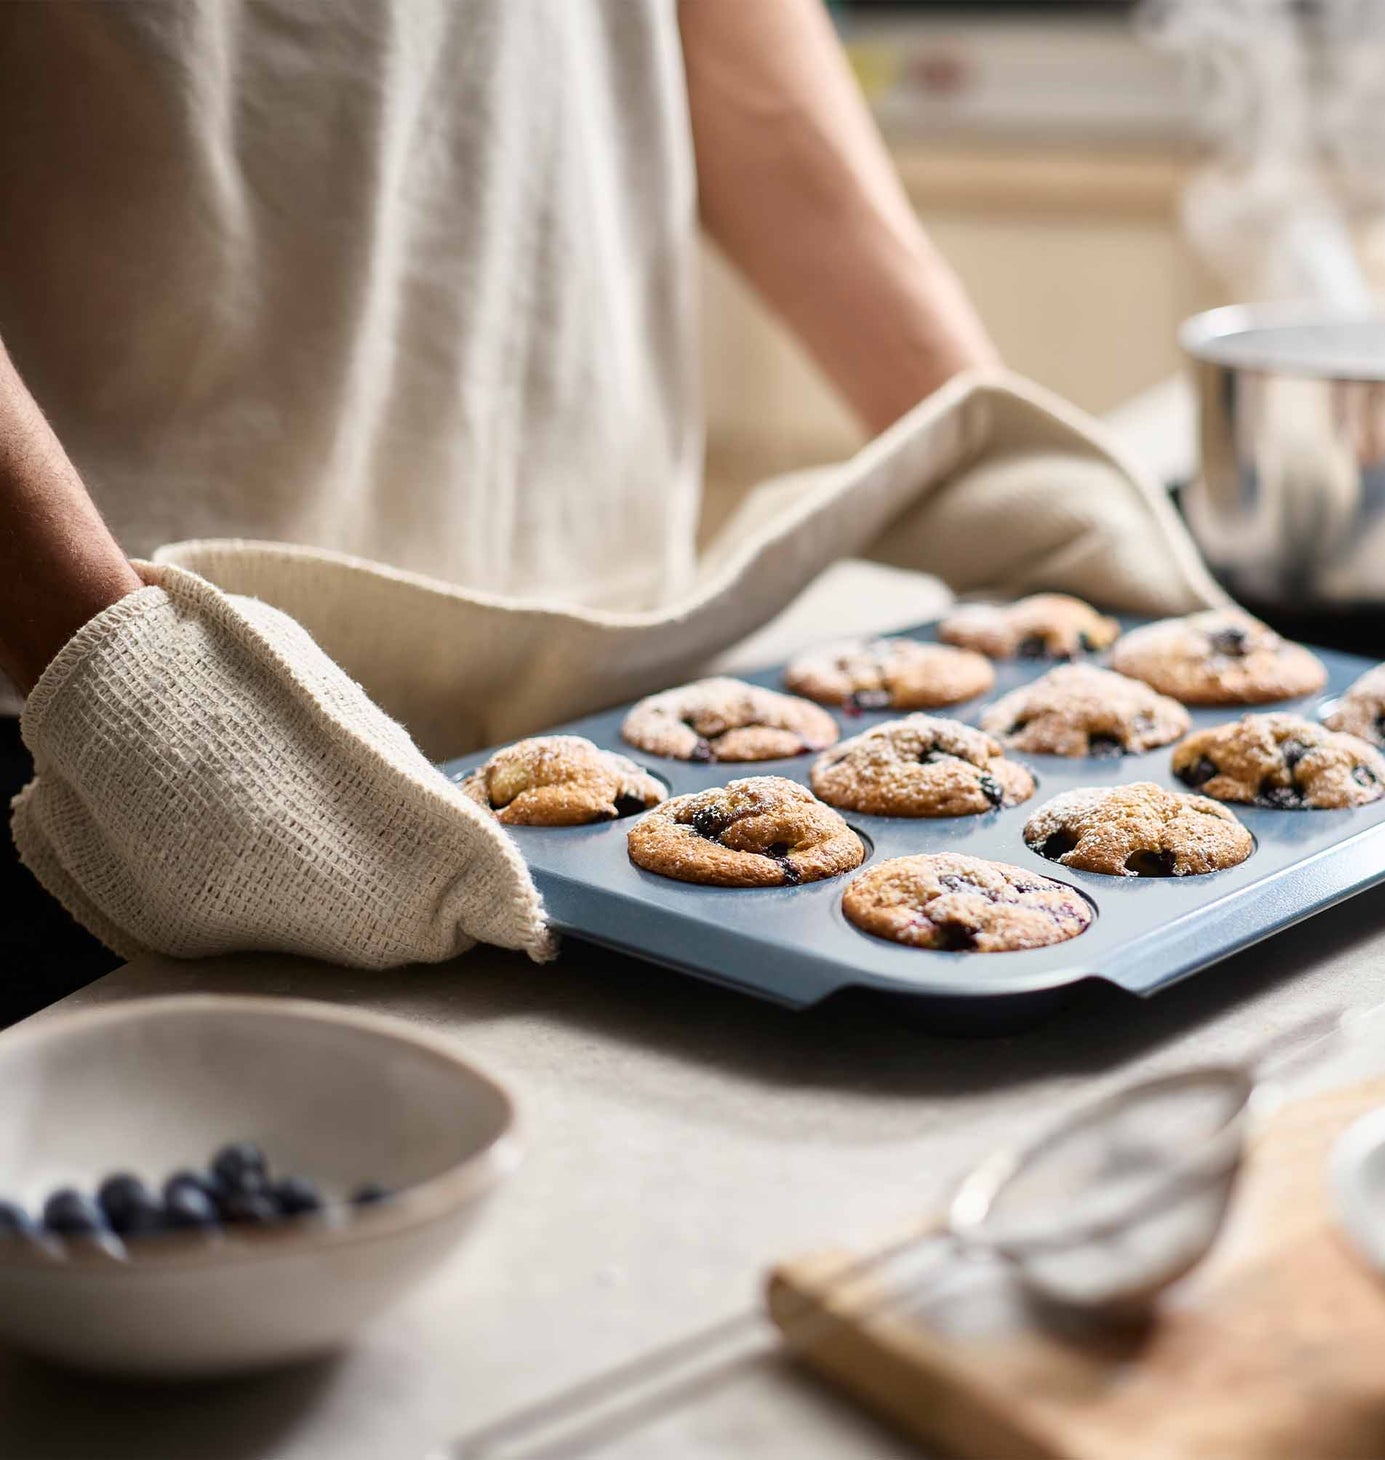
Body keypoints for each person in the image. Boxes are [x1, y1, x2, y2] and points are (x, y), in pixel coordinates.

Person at [0, 0, 1211, 1024]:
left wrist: (972, 435)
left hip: (613, 673)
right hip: (126, 720)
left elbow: (733, 49)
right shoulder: (116, 693)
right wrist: (98, 655)